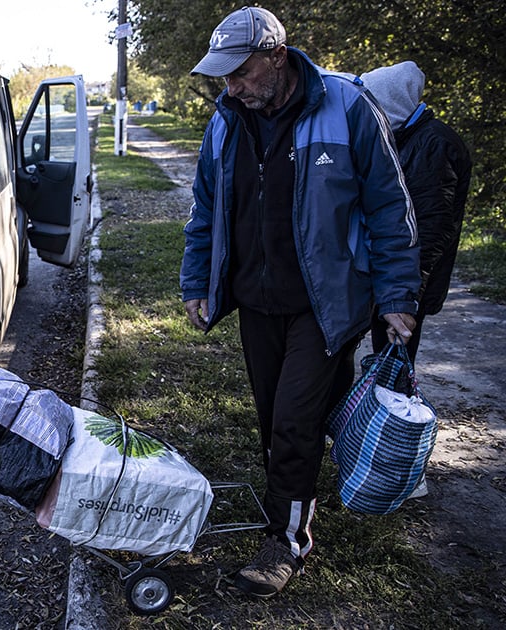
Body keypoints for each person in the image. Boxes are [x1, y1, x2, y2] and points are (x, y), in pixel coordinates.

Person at [181, 7, 421, 598]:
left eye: (240, 72)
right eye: (224, 77)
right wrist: (197, 282)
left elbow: (391, 208)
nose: (230, 86)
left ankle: (286, 541)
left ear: (277, 56)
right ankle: (336, 462)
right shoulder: (227, 121)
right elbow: (206, 210)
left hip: (326, 302)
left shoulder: (347, 106)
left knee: (293, 420)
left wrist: (396, 294)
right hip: (257, 302)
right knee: (277, 419)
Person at [361, 61, 472, 361]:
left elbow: (430, 225)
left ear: (391, 103)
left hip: (405, 282)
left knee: (393, 365)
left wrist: (405, 295)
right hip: (396, 276)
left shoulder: (433, 145)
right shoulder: (409, 139)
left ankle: (394, 407)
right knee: (387, 360)